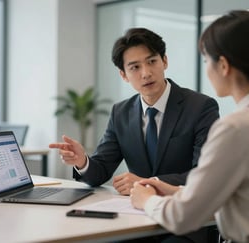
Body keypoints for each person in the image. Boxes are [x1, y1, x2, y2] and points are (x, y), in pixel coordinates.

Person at [130, 10, 249, 243]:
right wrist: (172, 190)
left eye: (206, 60)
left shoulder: (236, 128)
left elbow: (182, 218)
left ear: (224, 66)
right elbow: (243, 196)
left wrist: (146, 200)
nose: (207, 68)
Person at [50, 27, 219, 243]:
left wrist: (148, 183)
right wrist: (82, 161)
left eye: (152, 62)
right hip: (135, 221)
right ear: (124, 75)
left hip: (184, 223)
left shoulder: (201, 107)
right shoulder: (120, 112)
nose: (146, 73)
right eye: (135, 67)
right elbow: (100, 172)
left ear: (164, 61)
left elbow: (202, 174)